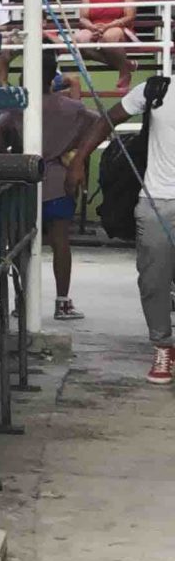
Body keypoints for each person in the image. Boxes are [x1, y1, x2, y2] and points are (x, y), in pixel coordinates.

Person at [0, 53, 112, 321]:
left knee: (21, 244)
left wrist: (7, 157)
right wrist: (75, 147)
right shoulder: (71, 107)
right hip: (58, 178)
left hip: (25, 178)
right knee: (60, 242)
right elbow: (102, 123)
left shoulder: (18, 107)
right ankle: (62, 302)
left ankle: (22, 302)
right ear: (53, 78)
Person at [115, 74, 175, 383]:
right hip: (157, 201)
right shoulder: (156, 91)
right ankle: (163, 346)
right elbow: (108, 117)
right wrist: (78, 159)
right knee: (154, 280)